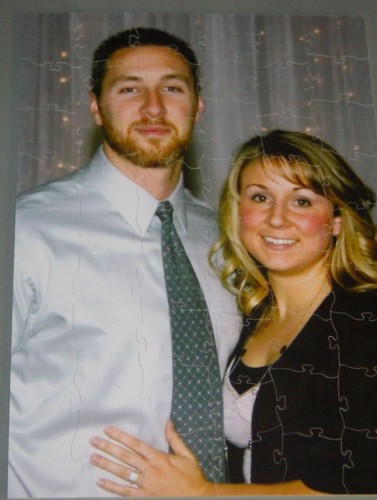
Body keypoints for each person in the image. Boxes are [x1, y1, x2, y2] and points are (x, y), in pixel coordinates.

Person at [89, 129, 377, 495]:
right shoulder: (251, 313)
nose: (276, 219)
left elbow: (365, 482)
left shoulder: (373, 323)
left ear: (336, 219)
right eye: (260, 197)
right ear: (238, 210)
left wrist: (202, 493)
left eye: (301, 201)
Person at [8, 27, 240, 498]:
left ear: (198, 106)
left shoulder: (228, 238)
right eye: (129, 89)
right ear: (96, 106)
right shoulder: (24, 230)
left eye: (172, 88)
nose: (153, 108)